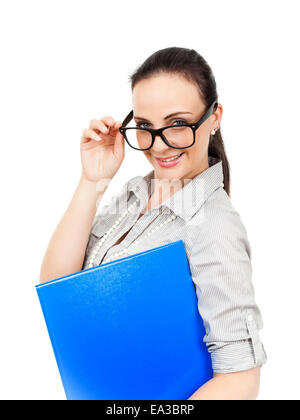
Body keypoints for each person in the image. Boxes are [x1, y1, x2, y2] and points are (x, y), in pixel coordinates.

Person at [39, 47, 267, 400]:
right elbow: (57, 291)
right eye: (145, 126)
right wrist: (91, 180)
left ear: (214, 116)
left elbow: (241, 380)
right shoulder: (136, 195)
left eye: (177, 123)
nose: (159, 146)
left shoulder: (214, 226)